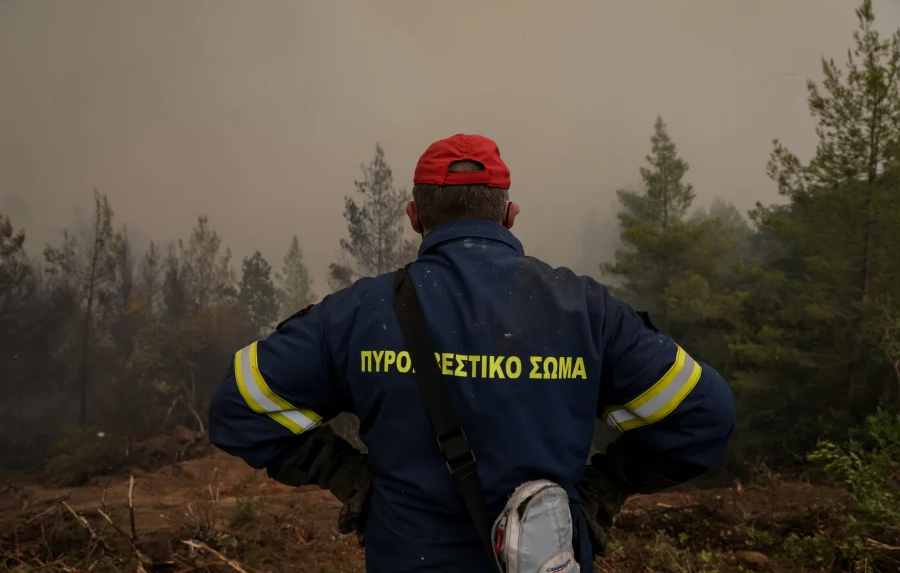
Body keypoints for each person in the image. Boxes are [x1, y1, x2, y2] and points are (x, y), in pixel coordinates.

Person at [208, 133, 736, 573]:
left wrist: (347, 476)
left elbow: (238, 405)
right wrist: (605, 487)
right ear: (510, 213)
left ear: (415, 216)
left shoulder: (356, 314)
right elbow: (705, 415)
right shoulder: (587, 312)